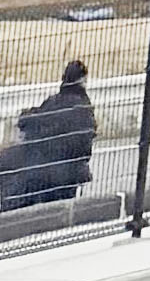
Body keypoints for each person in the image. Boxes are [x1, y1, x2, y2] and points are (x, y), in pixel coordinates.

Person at [3, 56, 99, 207]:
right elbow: (85, 149)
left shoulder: (54, 102)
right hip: (64, 171)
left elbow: (35, 120)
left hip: (41, 165)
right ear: (83, 80)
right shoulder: (83, 110)